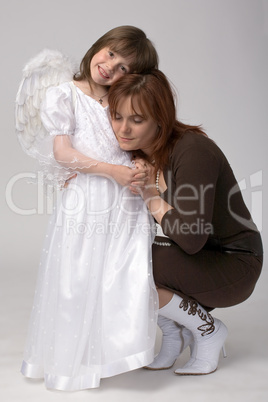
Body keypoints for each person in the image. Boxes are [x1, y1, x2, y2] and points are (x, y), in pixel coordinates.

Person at [20, 26, 159, 391]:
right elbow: (63, 153)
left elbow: (134, 143)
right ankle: (72, 362)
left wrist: (140, 165)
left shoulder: (121, 101)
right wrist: (111, 170)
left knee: (123, 278)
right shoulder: (65, 94)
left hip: (126, 201)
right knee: (77, 279)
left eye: (125, 67)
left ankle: (113, 355)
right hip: (88, 200)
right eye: (111, 54)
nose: (111, 67)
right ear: (99, 46)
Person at [108, 69, 263, 376]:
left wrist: (151, 195)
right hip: (202, 256)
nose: (123, 129)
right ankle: (175, 334)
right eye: (117, 116)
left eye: (137, 120)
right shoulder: (143, 154)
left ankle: (207, 330)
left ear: (160, 119)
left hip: (235, 263)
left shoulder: (192, 150)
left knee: (138, 263)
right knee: (122, 254)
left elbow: (191, 239)